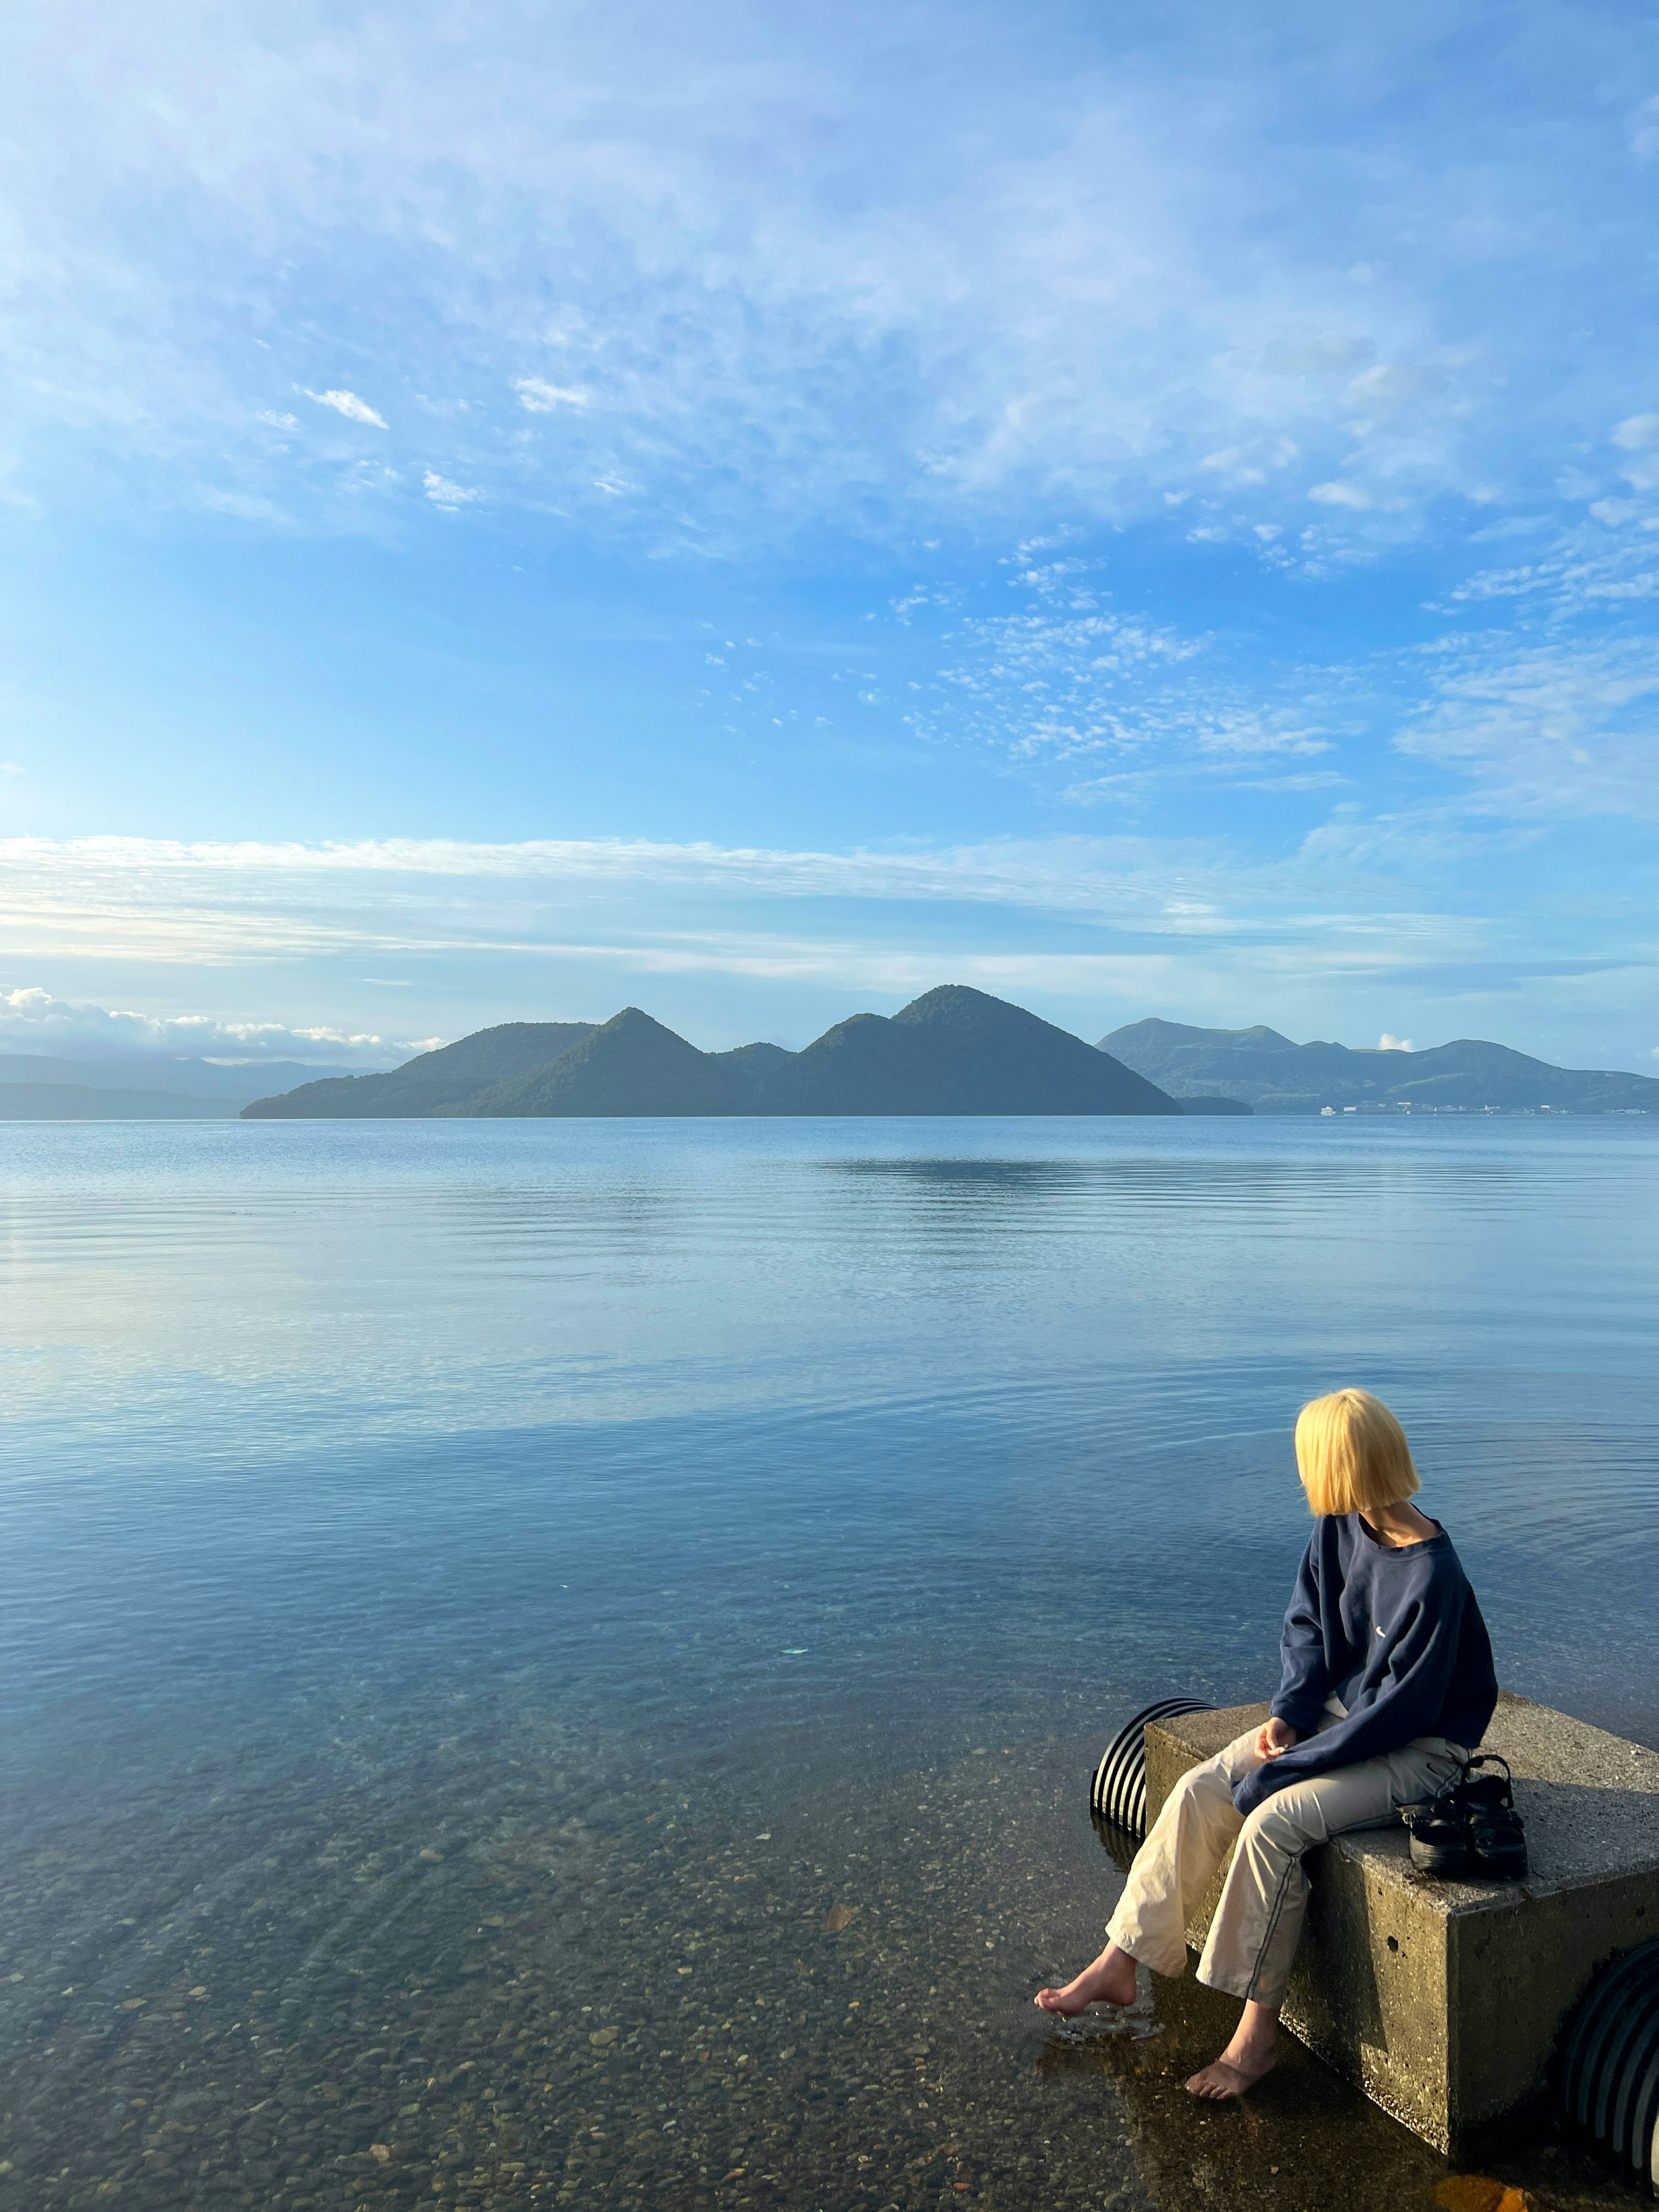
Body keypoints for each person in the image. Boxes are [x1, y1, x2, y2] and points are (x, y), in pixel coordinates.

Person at [1034, 1387, 1498, 2100]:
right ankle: (1119, 1960)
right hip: (1340, 1718)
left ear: (1341, 1467)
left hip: (1419, 1749)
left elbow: (1400, 1718)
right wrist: (1289, 1715)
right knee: (1199, 1789)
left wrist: (1292, 1767)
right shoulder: (1339, 1528)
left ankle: (1255, 2038)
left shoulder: (1433, 1576)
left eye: (1310, 1464)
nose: (1303, 1478)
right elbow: (1307, 1627)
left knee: (1271, 1824)